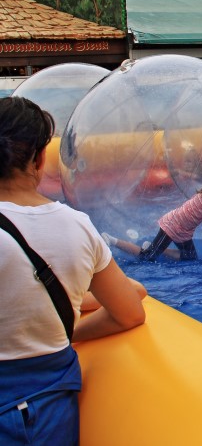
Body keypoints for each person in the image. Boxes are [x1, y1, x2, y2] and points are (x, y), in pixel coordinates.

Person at [0, 96, 146, 445]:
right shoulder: (76, 226)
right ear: (40, 158)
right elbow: (129, 312)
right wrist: (69, 330)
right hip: (46, 410)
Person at [104, 168, 202, 261]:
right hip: (173, 226)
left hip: (183, 230)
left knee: (190, 257)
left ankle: (159, 249)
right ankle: (112, 240)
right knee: (148, 256)